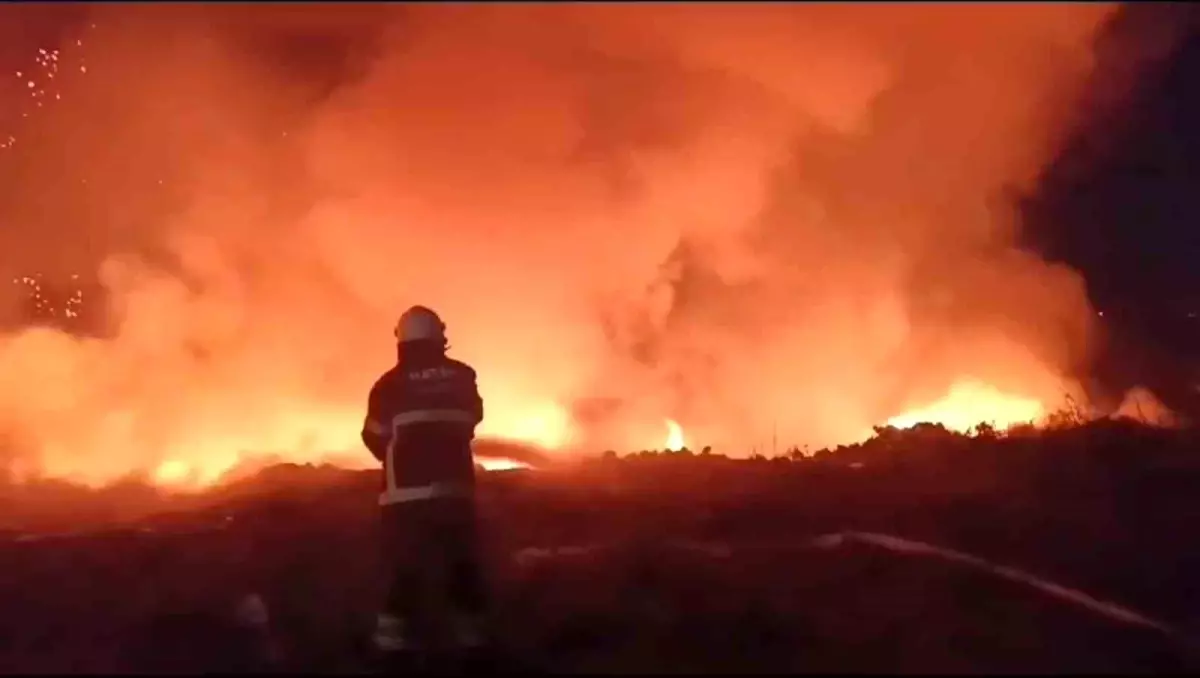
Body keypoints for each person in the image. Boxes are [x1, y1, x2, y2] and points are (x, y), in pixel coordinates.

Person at [361, 305, 489, 666]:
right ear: (440, 338)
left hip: (404, 499)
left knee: (403, 573)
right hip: (455, 493)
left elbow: (374, 437)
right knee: (463, 569)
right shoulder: (463, 376)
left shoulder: (388, 385)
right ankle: (475, 649)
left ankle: (392, 653)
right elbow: (473, 418)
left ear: (401, 341)